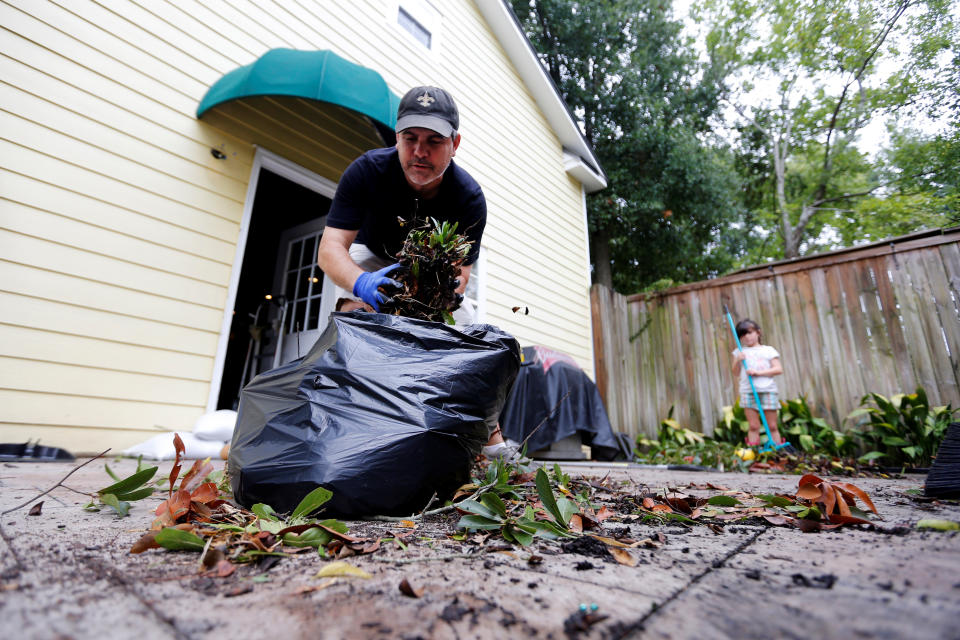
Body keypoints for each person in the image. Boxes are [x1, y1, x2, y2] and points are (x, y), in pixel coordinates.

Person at [317, 85, 518, 461]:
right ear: (397, 138)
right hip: (374, 258)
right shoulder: (366, 172)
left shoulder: (468, 197)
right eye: (410, 138)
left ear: (455, 143)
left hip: (433, 276)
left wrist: (431, 299)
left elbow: (460, 274)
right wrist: (362, 282)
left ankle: (491, 440)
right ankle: (337, 415)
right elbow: (330, 250)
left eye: (434, 141)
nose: (419, 152)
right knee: (348, 309)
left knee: (468, 329)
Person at [731, 318, 785, 447]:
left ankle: (778, 452)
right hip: (748, 391)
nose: (747, 337)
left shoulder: (768, 350)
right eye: (743, 335)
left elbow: (778, 369)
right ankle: (754, 454)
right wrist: (737, 360)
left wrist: (757, 373)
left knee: (772, 426)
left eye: (750, 332)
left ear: (758, 332)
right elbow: (735, 372)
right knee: (754, 426)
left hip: (768, 390)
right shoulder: (739, 352)